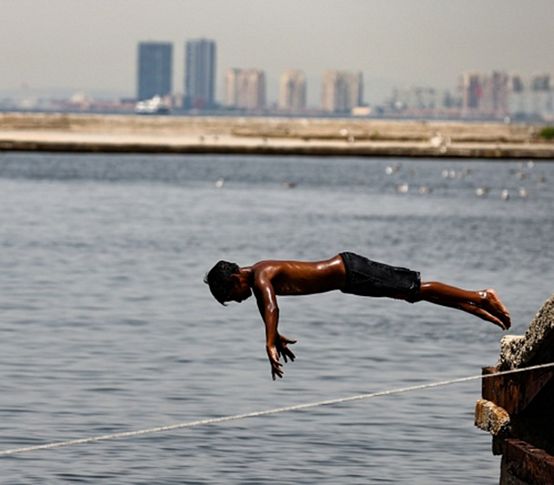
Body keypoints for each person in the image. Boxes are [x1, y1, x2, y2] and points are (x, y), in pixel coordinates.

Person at [204, 252, 511, 380]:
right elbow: (264, 308)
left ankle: (481, 296)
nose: (239, 300)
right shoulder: (257, 283)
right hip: (349, 281)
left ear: (235, 280)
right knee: (414, 295)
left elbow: (271, 306)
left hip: (350, 270)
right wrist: (275, 336)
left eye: (233, 296)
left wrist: (269, 343)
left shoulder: (260, 275)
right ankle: (478, 309)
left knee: (416, 288)